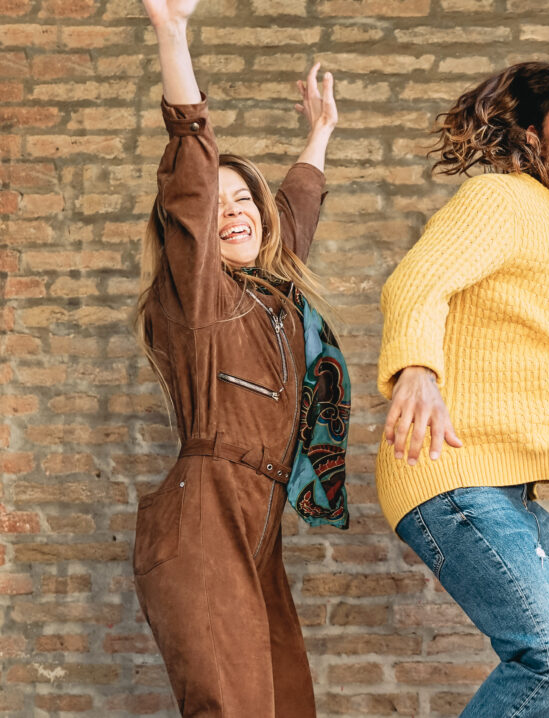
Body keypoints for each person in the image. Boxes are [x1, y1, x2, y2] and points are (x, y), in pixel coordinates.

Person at [376, 62, 549, 718]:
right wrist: (417, 370)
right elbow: (416, 282)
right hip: (453, 468)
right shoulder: (500, 199)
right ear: (534, 135)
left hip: (512, 492)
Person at [131, 0, 348, 714]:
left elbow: (295, 214)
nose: (233, 211)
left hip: (258, 526)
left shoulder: (275, 303)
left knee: (288, 704)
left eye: (245, 199)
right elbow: (190, 182)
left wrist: (318, 137)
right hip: (204, 520)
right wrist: (174, 38)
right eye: (217, 204)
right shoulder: (200, 299)